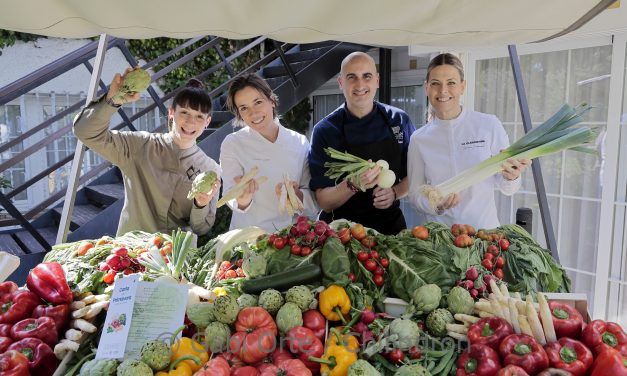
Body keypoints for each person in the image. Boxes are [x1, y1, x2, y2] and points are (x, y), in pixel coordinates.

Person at [73, 68, 221, 237]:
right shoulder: (139, 145)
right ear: (171, 112)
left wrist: (200, 205)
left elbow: (201, 228)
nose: (190, 122)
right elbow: (85, 132)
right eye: (185, 112)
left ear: (207, 122)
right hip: (131, 255)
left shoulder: (210, 169)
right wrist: (112, 100)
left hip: (173, 258)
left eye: (199, 117)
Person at [407, 53, 531, 229]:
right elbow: (414, 195)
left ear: (462, 86)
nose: (443, 91)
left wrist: (512, 176)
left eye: (451, 83)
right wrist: (436, 206)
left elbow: (508, 188)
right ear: (426, 88)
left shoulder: (488, 125)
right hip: (440, 237)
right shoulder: (419, 139)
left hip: (483, 236)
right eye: (435, 84)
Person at [308, 52, 416, 235]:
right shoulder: (325, 130)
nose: (360, 85)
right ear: (341, 83)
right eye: (352, 77)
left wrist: (395, 192)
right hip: (341, 233)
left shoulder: (398, 120)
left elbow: (414, 176)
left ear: (377, 80)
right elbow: (324, 202)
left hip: (390, 229)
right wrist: (353, 184)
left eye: (367, 76)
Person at [220, 73, 317, 232]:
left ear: (271, 100)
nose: (253, 113)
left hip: (289, 239)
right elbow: (231, 195)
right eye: (244, 108)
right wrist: (243, 198)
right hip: (248, 239)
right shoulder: (232, 144)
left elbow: (312, 197)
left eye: (258, 102)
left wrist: (296, 195)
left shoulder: (299, 142)